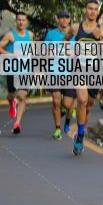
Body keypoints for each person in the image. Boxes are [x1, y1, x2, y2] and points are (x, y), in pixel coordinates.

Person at [65, 0, 103, 155]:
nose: (92, 11)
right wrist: (70, 52)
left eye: (95, 9)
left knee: (89, 104)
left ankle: (81, 130)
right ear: (85, 10)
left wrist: (100, 41)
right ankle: (81, 134)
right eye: (89, 8)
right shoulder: (76, 28)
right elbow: (65, 41)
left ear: (98, 12)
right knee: (82, 100)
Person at [0, 11, 34, 134]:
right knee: (11, 95)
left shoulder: (30, 35)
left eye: (23, 20)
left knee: (22, 95)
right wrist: (11, 54)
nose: (21, 22)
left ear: (26, 22)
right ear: (16, 22)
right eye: (19, 20)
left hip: (26, 70)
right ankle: (12, 103)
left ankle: (17, 123)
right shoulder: (10, 35)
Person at [43, 10, 77, 140]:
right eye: (61, 18)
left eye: (66, 18)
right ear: (58, 20)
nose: (64, 20)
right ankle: (57, 129)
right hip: (54, 71)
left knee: (67, 104)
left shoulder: (74, 35)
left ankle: (66, 119)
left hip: (70, 72)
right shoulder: (51, 34)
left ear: (69, 20)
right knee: (56, 101)